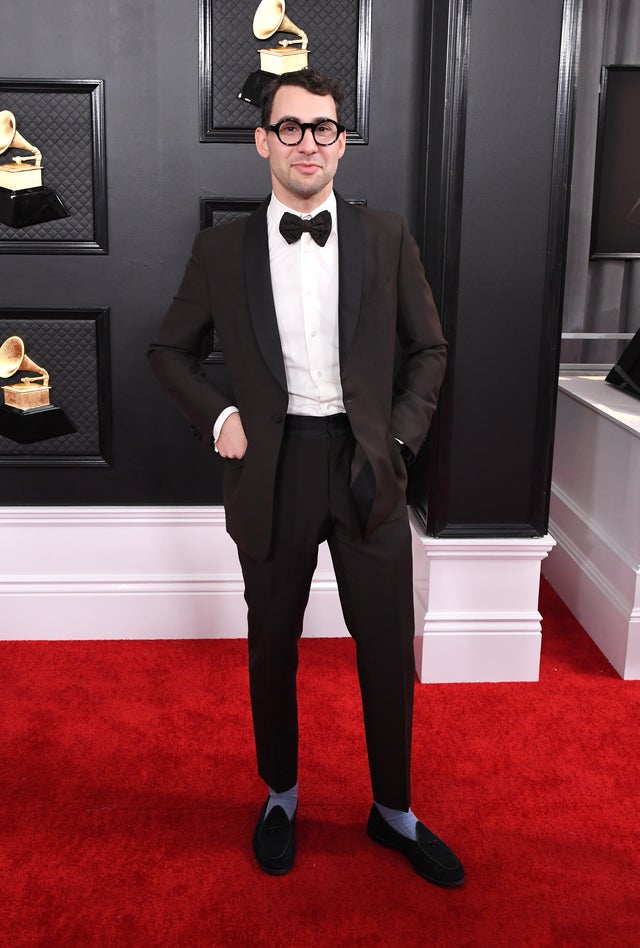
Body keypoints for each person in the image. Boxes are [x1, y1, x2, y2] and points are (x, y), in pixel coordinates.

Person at [148, 68, 464, 887]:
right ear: (262, 142)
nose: (309, 144)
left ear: (342, 140)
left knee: (388, 647)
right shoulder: (221, 250)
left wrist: (397, 440)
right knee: (271, 647)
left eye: (324, 128)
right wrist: (222, 420)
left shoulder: (386, 235)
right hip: (273, 470)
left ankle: (393, 811)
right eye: (290, 129)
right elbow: (167, 351)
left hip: (368, 466)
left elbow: (429, 349)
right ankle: (281, 794)